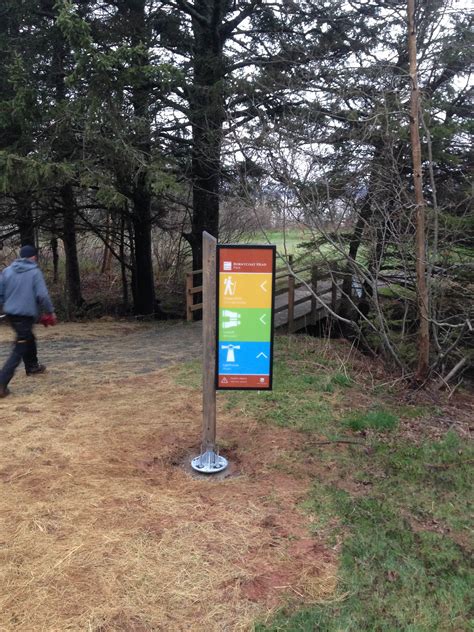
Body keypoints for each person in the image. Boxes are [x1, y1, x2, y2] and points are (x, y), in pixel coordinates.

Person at [0, 245, 56, 398]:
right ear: (33, 257)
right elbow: (42, 296)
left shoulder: (7, 271)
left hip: (11, 314)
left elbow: (0, 293)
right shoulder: (34, 272)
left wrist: (4, 305)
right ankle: (2, 383)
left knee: (29, 338)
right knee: (20, 347)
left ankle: (32, 367)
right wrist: (50, 312)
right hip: (24, 316)